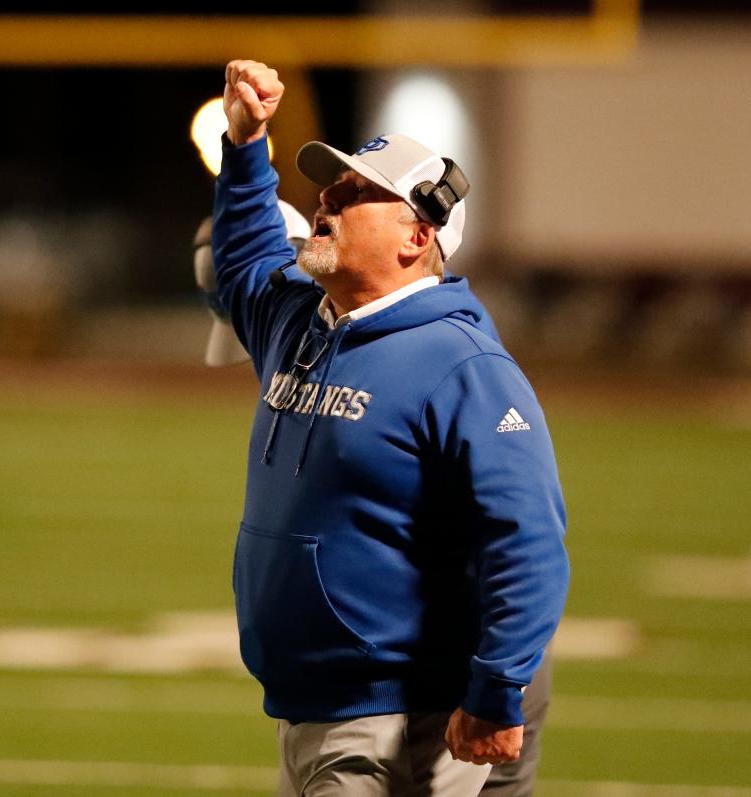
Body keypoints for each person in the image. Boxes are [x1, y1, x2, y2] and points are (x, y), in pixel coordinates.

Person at [212, 59, 569, 797]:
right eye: (329, 186)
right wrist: (247, 145)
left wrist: (496, 690)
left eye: (356, 193)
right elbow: (248, 255)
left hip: (402, 713)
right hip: (313, 705)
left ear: (417, 235)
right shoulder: (302, 321)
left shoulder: (462, 365)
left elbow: (527, 537)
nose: (325, 200)